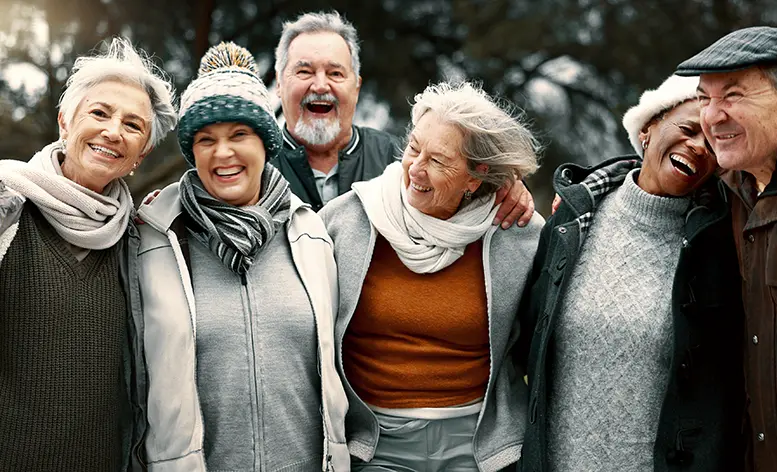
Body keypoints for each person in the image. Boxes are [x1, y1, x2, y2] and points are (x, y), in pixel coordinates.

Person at [132, 43, 349, 471]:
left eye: (239, 135)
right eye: (206, 139)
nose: (223, 153)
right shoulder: (154, 238)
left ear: (266, 143)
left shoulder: (311, 234)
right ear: (192, 152)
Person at [518, 75, 746, 471]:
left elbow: (722, 388)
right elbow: (526, 344)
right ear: (647, 129)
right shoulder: (572, 222)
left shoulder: (718, 247)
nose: (697, 147)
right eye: (689, 129)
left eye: (712, 143)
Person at [320, 81, 543, 471]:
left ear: (475, 177)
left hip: (478, 446)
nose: (415, 168)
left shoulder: (515, 233)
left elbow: (541, 345)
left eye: (438, 161)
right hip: (374, 442)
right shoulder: (346, 221)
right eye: (412, 148)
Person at [0, 38, 177, 470]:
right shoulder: (7, 207)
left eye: (133, 125)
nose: (113, 131)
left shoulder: (139, 239)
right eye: (99, 113)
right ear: (65, 122)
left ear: (142, 152)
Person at [674, 26, 777, 471]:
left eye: (732, 96)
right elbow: (653, 165)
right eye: (704, 98)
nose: (713, 116)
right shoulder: (733, 183)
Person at [272, 11, 534, 229]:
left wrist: (504, 187)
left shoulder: (398, 160)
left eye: (335, 73)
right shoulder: (255, 166)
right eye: (304, 71)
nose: (320, 85)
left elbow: (458, 195)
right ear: (279, 84)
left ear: (357, 87)